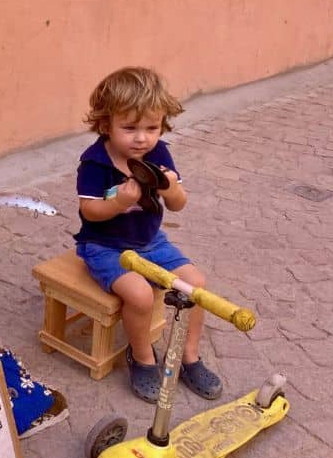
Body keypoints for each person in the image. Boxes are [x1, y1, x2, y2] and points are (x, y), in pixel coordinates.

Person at [73, 67, 222, 403]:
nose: (141, 138)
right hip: (104, 247)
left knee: (195, 285)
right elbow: (89, 212)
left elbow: (179, 204)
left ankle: (190, 357)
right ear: (105, 124)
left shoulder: (158, 154)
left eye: (151, 128)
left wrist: (170, 188)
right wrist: (120, 202)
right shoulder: (95, 163)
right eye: (129, 128)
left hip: (150, 243)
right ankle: (142, 357)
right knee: (140, 295)